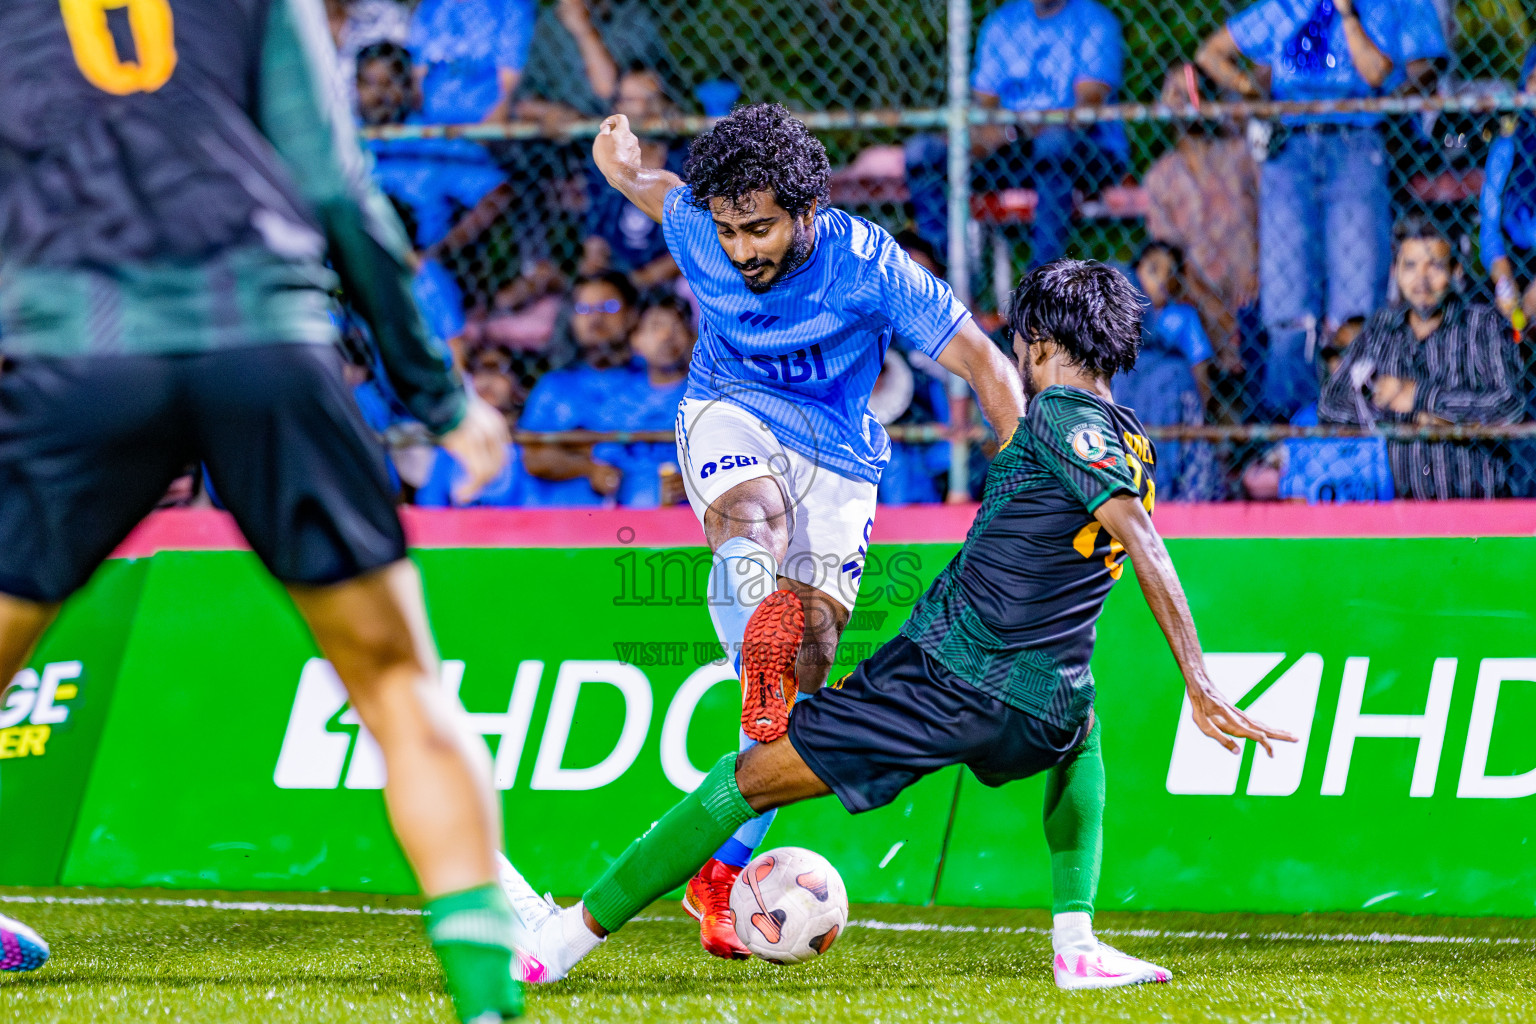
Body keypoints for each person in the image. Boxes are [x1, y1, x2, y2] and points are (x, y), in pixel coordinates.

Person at [501, 260, 1295, 989]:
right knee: (1079, 727)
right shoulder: (1134, 441)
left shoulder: (1059, 414)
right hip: (1042, 695)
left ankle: (560, 940)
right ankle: (1076, 940)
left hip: (946, 676)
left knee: (748, 780)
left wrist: (1200, 678)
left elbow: (1140, 537)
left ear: (1039, 343)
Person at [0, 2, 519, 1020]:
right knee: (400, 686)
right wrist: (440, 397)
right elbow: (336, 189)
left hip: (81, 352)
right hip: (265, 338)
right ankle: (491, 1004)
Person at [572, 103, 1025, 960]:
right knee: (754, 521)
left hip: (841, 456)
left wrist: (1028, 471)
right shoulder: (698, 228)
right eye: (731, 230)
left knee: (810, 661)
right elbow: (650, 184)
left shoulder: (868, 265)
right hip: (729, 411)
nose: (744, 249)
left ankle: (724, 863)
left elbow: (983, 362)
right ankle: (756, 644)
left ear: (808, 209)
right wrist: (616, 156)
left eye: (763, 228)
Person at [1197, 0, 1403, 420]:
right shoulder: (1283, 7)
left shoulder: (1372, 9)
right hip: (1289, 149)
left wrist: (1347, 15)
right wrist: (1254, 92)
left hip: (1353, 142)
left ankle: (1361, 415)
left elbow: (1377, 72)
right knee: (1287, 299)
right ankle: (1293, 423)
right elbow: (1210, 53)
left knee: (1358, 290)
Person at [905, 0, 1128, 268]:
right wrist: (976, 140)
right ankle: (945, 274)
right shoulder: (1003, 23)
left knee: (1053, 143)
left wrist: (1012, 129)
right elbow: (982, 108)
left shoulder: (1094, 21)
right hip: (1013, 152)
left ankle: (1040, 283)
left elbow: (1084, 111)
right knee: (923, 152)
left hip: (1086, 152)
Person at [1318, 217, 1525, 499]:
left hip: (1481, 508)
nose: (1422, 280)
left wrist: (1421, 396)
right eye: (1411, 266)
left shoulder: (1481, 325)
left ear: (1456, 272)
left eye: (1435, 266)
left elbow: (1509, 404)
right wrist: (1395, 411)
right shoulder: (1381, 329)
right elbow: (1330, 404)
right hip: (1408, 511)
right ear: (1396, 272)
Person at [1143, 65, 1258, 408]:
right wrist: (1208, 301)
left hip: (1252, 287)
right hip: (1197, 295)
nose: (1182, 102)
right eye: (1173, 93)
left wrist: (1257, 274)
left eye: (1189, 91)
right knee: (1189, 319)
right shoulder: (1160, 178)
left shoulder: (1241, 157)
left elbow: (1273, 225)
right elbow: (1168, 258)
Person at [357, 43, 509, 253]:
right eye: (369, 84)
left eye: (389, 83)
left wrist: (441, 251)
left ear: (410, 86)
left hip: (412, 270)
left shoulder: (433, 140)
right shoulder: (341, 137)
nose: (379, 96)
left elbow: (498, 193)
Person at [519, 272, 643, 506]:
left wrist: (570, 448)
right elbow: (532, 457)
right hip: (556, 526)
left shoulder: (654, 382)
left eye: (609, 306)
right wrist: (589, 468)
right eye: (584, 309)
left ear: (631, 316)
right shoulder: (553, 386)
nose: (595, 318)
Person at [1114, 242, 1217, 500]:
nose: (1161, 279)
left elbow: (1199, 367)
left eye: (1169, 272)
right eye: (1153, 269)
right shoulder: (1121, 312)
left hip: (1169, 400)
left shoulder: (1182, 316)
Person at [580, 68, 687, 292]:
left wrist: (641, 280)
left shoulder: (686, 163)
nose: (642, 109)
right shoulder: (605, 162)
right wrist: (596, 264)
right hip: (621, 274)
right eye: (627, 100)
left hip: (677, 278)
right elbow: (596, 234)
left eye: (651, 99)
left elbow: (697, 244)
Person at [409, 0, 535, 126]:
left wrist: (488, 129)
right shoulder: (432, 6)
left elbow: (507, 80)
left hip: (477, 126)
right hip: (426, 122)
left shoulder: (510, 6)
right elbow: (418, 75)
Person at [1482, 48, 1536, 328]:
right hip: (1514, 262)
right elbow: (1489, 227)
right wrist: (1506, 285)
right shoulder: (1507, 147)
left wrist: (1529, 304)